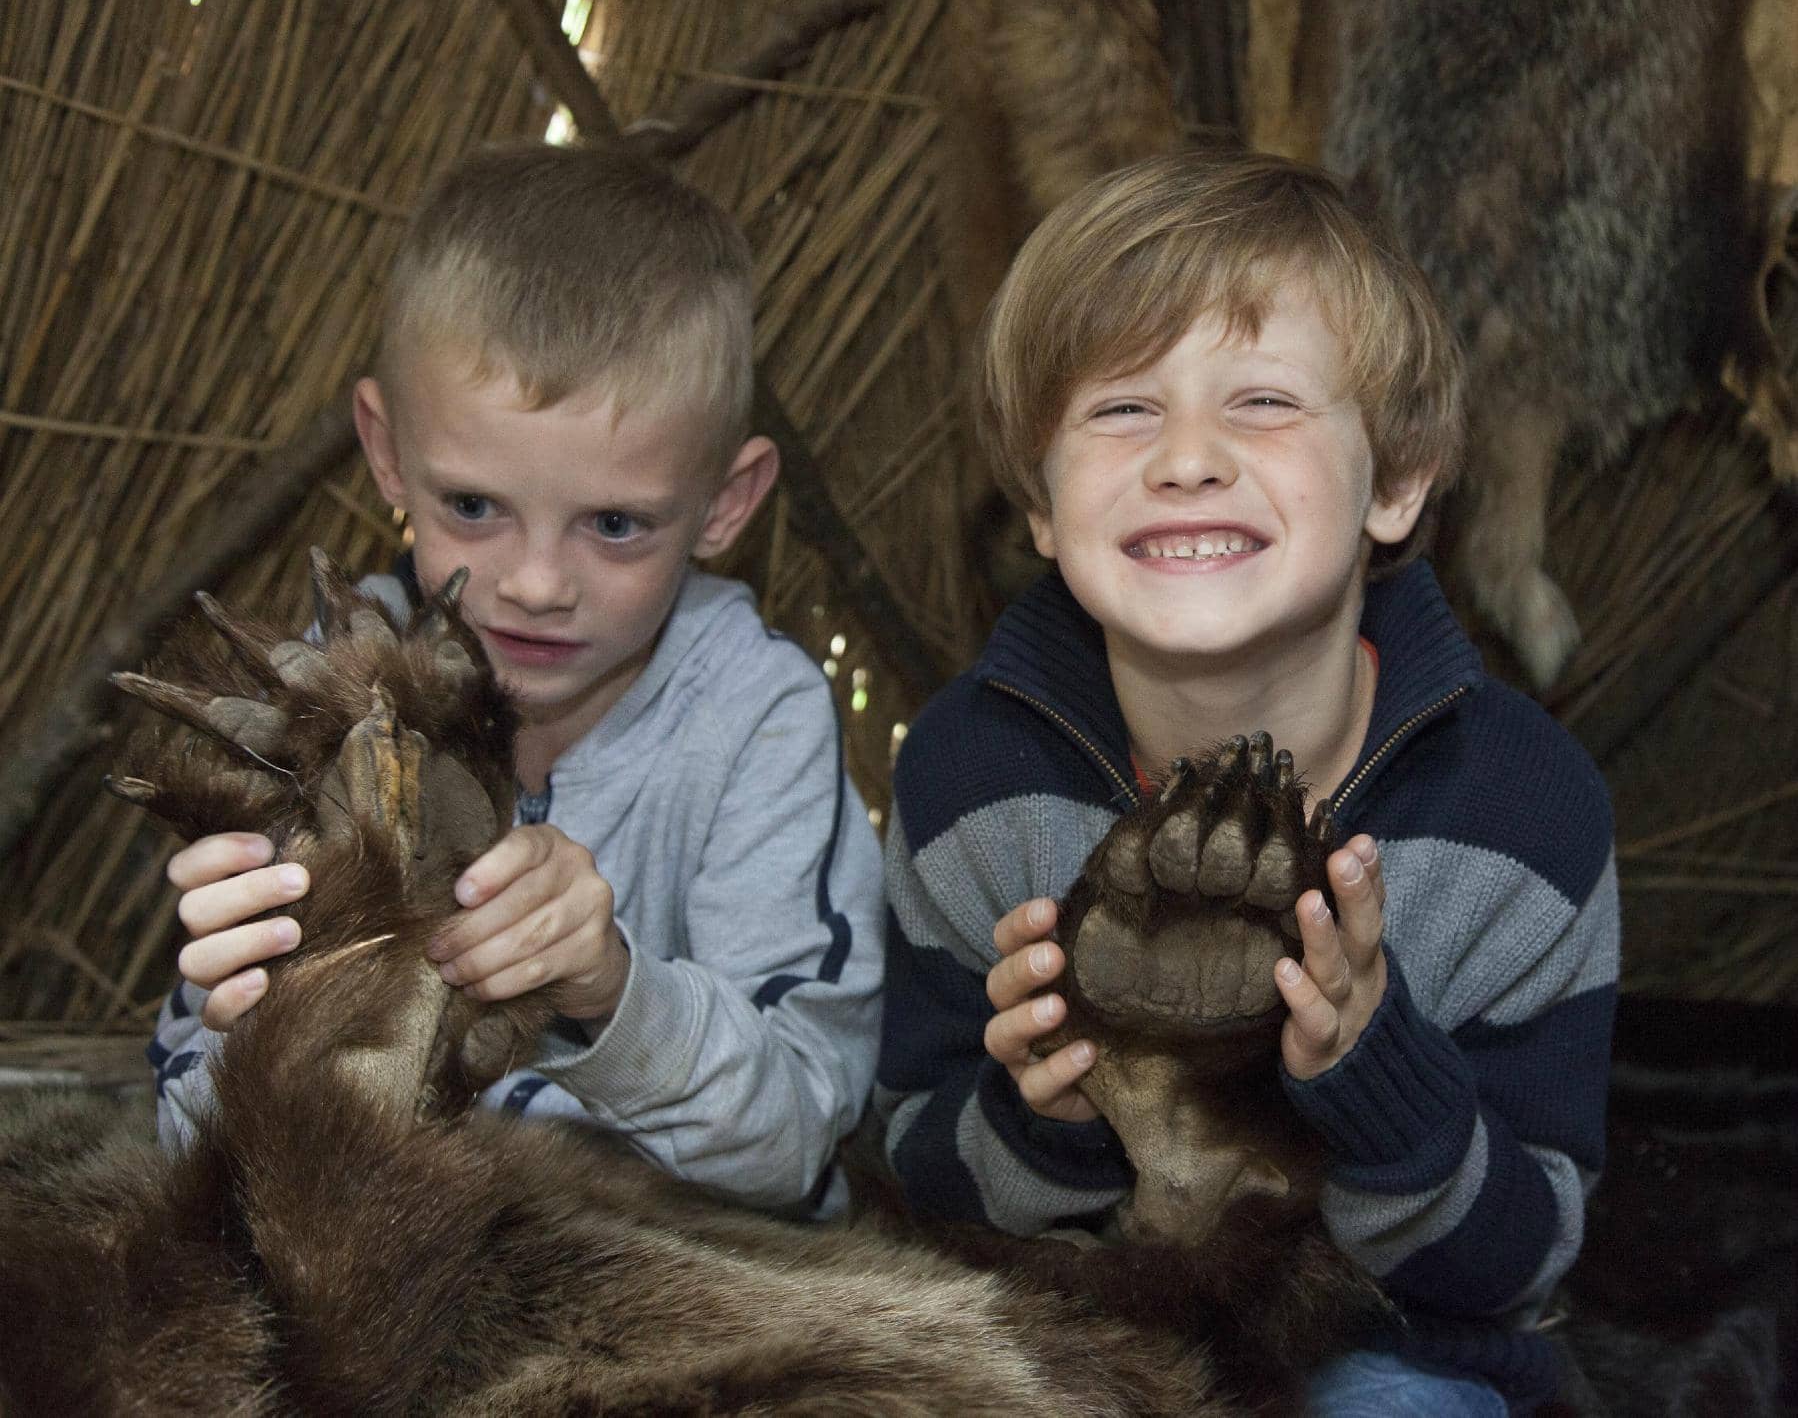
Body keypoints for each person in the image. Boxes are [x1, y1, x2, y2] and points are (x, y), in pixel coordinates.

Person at [875, 150, 1618, 1413]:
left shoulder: (1522, 816)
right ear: (1042, 503)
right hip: (1058, 1332)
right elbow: (910, 1175)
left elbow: (1517, 1263)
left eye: (1263, 401)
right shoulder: (971, 773)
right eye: (1120, 409)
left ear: (1394, 481)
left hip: (1382, 1354)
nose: (1186, 458)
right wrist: (1044, 1101)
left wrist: (1375, 1069)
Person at [149, 141, 885, 1216]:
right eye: (475, 509)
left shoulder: (756, 718)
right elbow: (182, 1135)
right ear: (388, 453)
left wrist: (610, 996)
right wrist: (268, 1016)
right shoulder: (325, 696)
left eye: (617, 525)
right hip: (372, 1261)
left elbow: (797, 1140)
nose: (537, 585)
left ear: (727, 502)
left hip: (659, 1284)